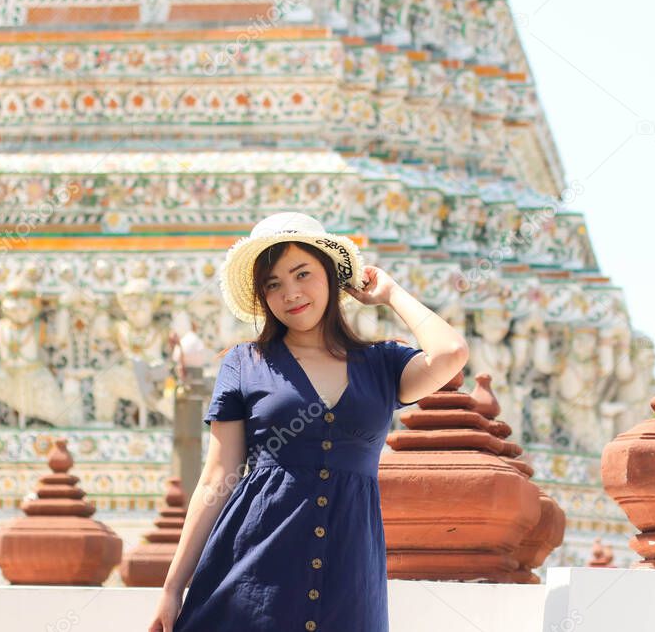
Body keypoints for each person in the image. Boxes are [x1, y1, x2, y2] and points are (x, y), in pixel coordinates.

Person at [148, 212, 469, 632]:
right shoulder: (245, 364)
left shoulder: (383, 364)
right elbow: (216, 478)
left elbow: (451, 353)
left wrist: (390, 293)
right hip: (254, 573)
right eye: (274, 284)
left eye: (303, 274)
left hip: (350, 577)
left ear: (332, 276)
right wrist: (173, 587)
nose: (291, 294)